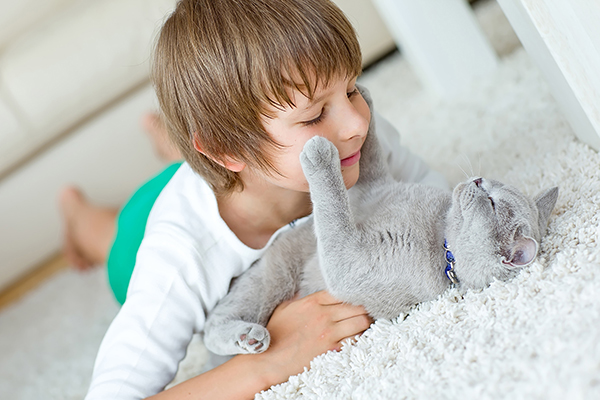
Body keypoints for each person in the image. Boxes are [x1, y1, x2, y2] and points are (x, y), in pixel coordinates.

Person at [80, 0, 448, 399]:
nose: (357, 123)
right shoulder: (179, 253)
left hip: (235, 168)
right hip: (144, 222)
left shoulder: (357, 136)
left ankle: (168, 143)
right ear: (225, 148)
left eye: (352, 88)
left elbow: (433, 204)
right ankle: (77, 212)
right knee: (110, 239)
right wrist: (267, 362)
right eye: (313, 115)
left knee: (215, 158)